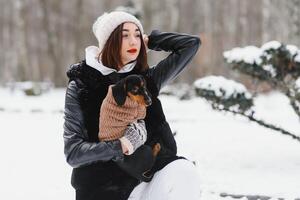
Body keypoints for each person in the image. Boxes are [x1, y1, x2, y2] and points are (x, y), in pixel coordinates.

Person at [63, 11, 201, 200]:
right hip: (102, 188)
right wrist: (121, 145)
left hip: (145, 179)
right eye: (124, 35)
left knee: (184, 172)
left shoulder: (146, 80)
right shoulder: (81, 85)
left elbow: (191, 45)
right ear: (108, 41)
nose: (133, 41)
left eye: (137, 34)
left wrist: (151, 40)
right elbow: (73, 153)